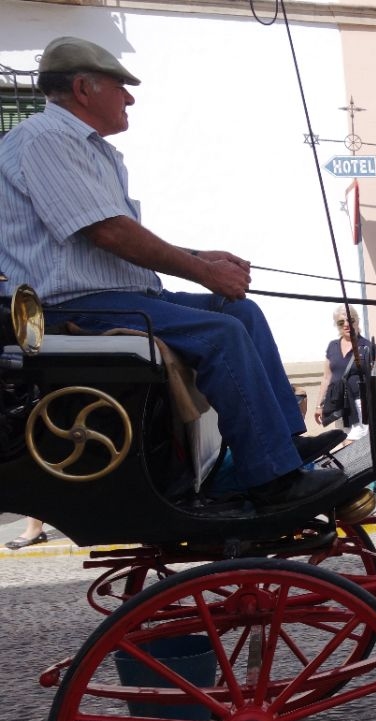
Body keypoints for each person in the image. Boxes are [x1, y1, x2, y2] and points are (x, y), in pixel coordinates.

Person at [0, 37, 345, 511]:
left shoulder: (87, 149)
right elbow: (110, 234)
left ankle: (281, 443)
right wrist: (203, 271)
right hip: (75, 307)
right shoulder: (46, 139)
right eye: (121, 87)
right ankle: (272, 479)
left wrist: (202, 255)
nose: (130, 98)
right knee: (221, 333)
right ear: (83, 88)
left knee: (239, 311)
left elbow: (113, 235)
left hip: (116, 294)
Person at [315, 307, 376, 442]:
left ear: (357, 321)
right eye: (341, 322)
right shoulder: (332, 347)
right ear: (336, 325)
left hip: (361, 403)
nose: (346, 325)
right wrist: (319, 405)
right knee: (344, 441)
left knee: (355, 442)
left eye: (350, 320)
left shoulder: (369, 347)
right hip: (339, 404)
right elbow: (326, 378)